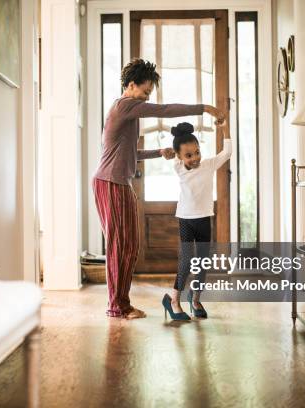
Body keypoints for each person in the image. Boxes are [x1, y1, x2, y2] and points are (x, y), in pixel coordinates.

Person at [93, 59, 225, 319]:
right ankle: (116, 306)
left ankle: (123, 302)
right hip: (109, 183)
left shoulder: (127, 112)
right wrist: (204, 108)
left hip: (120, 182)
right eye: (144, 92)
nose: (146, 98)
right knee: (119, 246)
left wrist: (158, 152)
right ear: (131, 86)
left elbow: (130, 153)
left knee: (130, 246)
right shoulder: (124, 105)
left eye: (148, 95)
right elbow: (164, 110)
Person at [161, 122, 232, 321]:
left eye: (197, 152)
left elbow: (227, 152)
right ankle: (173, 300)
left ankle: (195, 299)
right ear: (180, 157)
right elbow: (167, 154)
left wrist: (225, 129)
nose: (195, 158)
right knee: (186, 260)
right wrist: (165, 152)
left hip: (203, 219)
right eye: (189, 155)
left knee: (202, 261)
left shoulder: (209, 164)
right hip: (185, 219)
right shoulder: (177, 166)